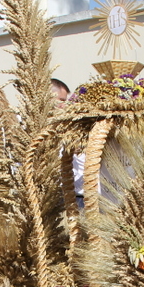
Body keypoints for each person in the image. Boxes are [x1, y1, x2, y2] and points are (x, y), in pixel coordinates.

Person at [51, 79, 85, 208]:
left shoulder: (70, 126)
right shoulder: (31, 125)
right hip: (54, 193)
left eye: (65, 101)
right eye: (61, 100)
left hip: (76, 195)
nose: (64, 106)